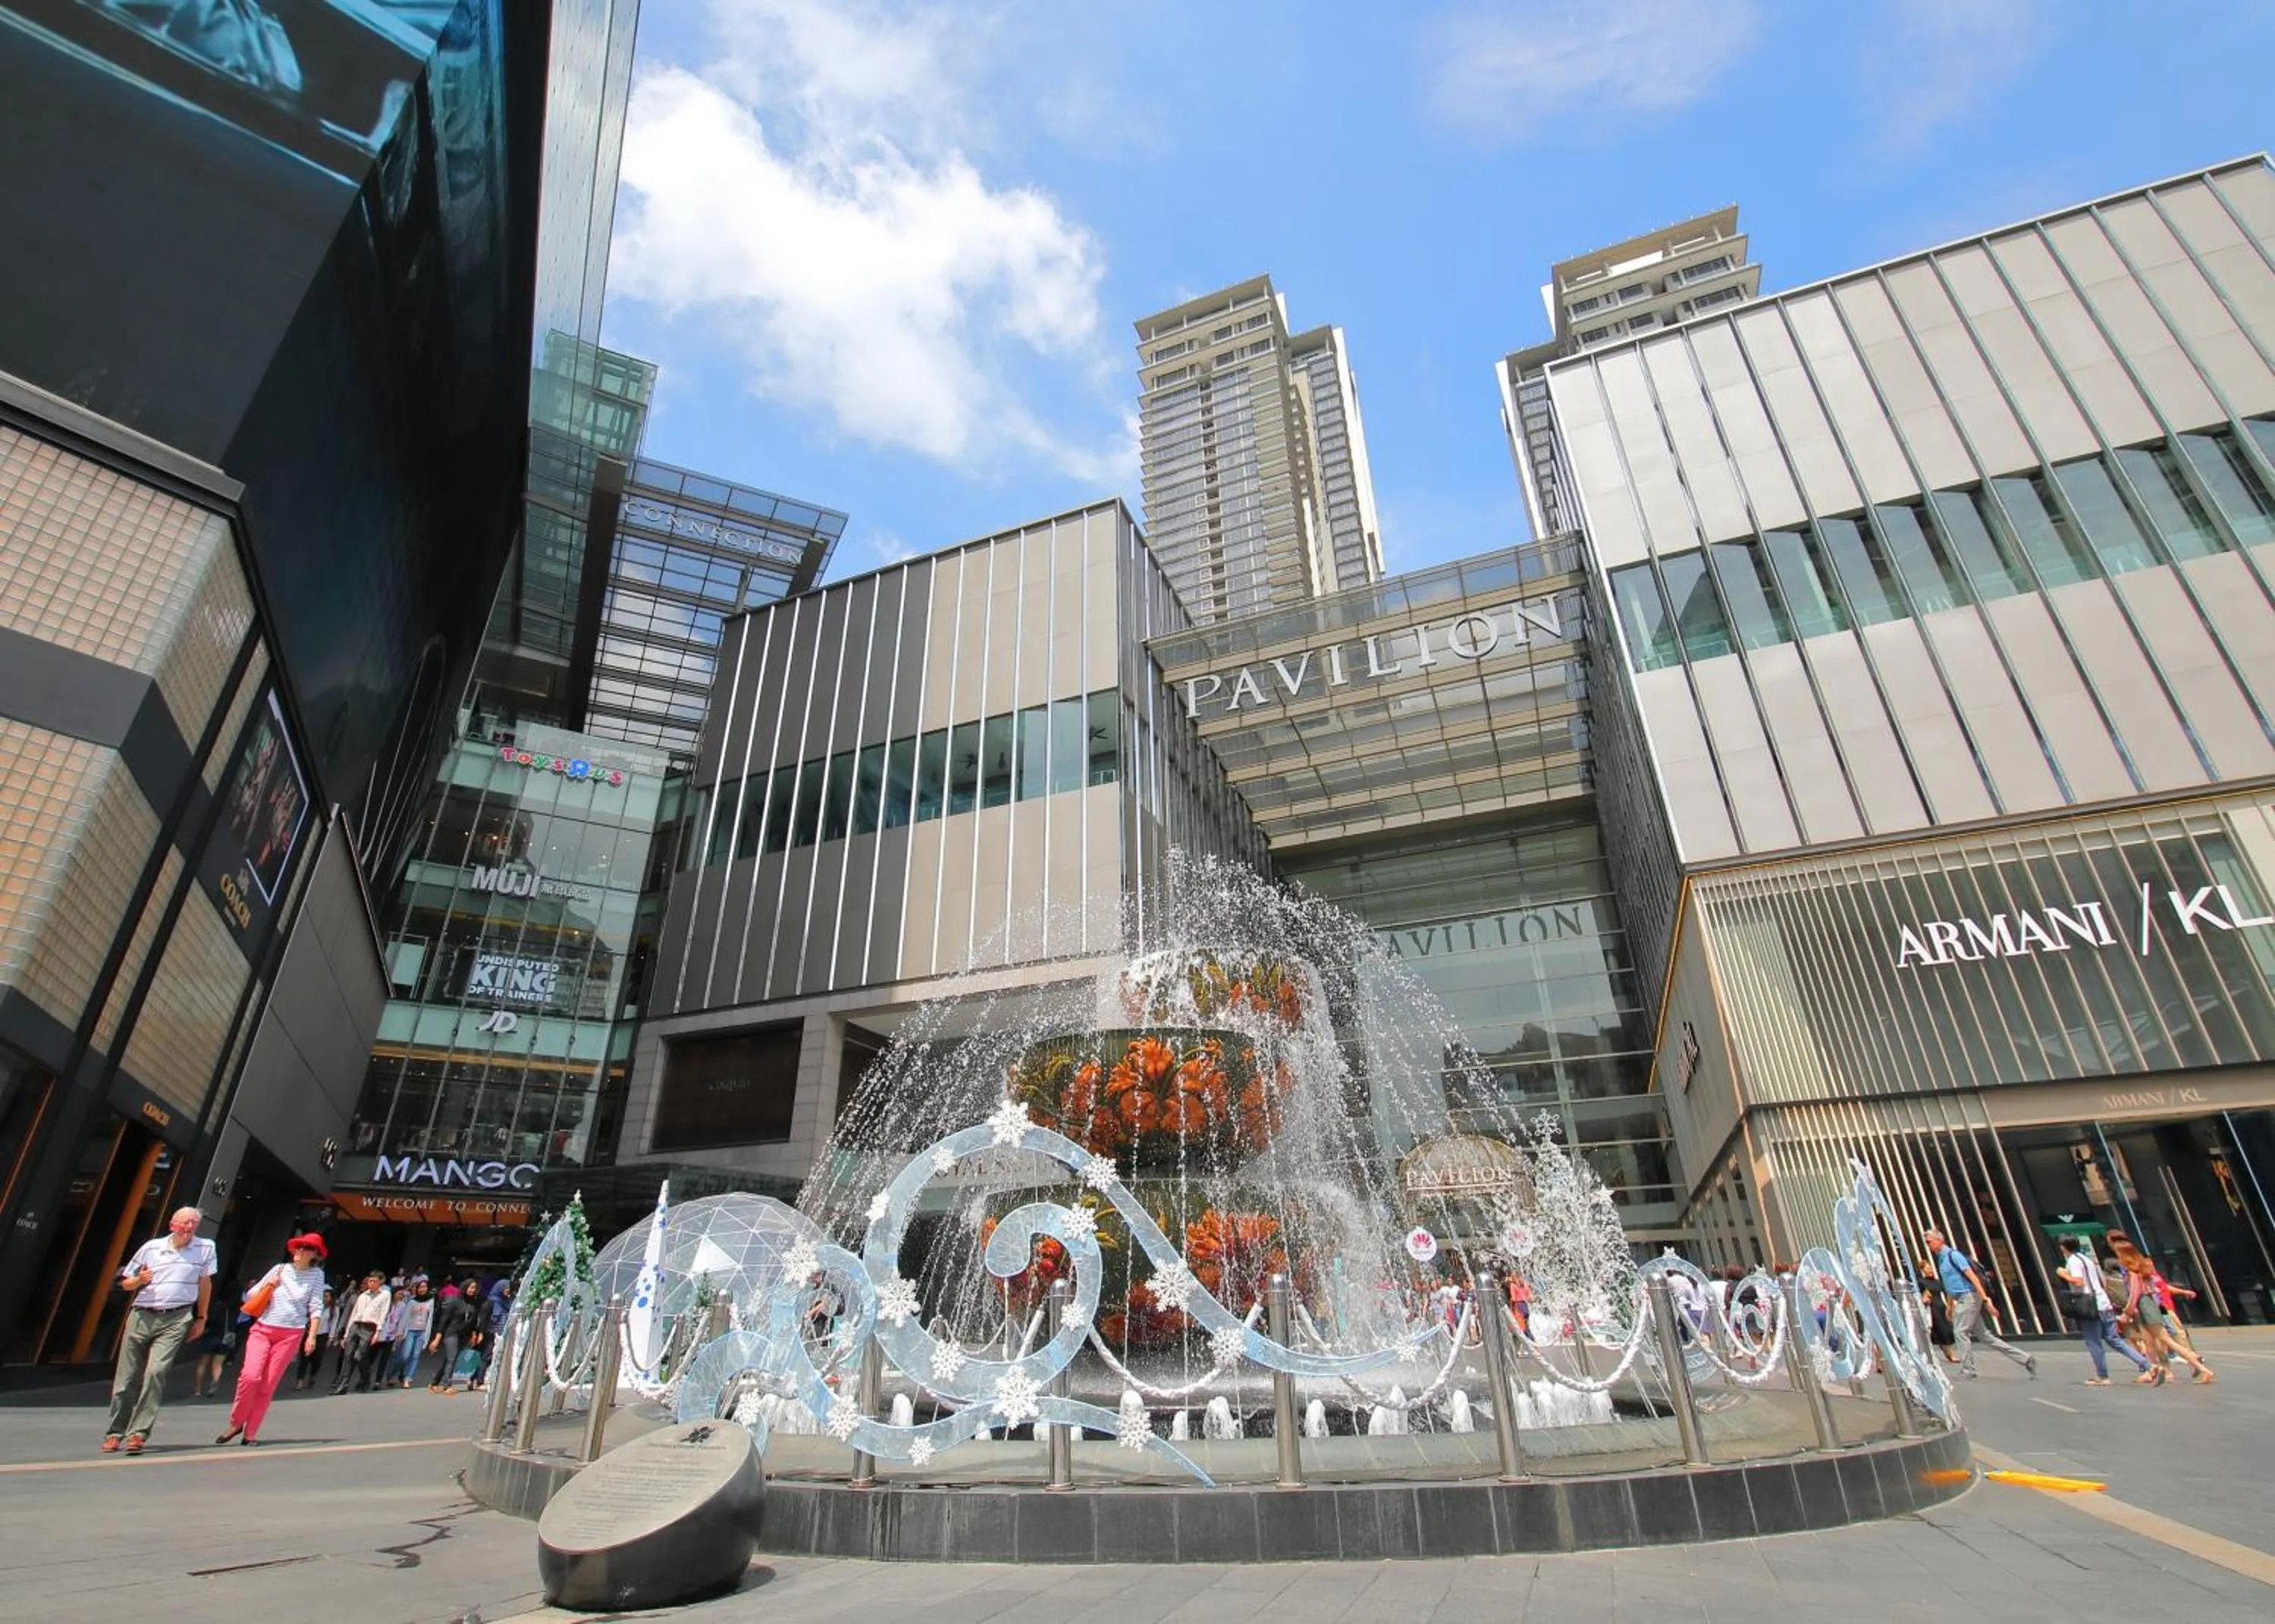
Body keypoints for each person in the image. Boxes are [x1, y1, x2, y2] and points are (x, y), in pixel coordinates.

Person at [103, 1207, 217, 1454]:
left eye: (193, 1224)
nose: (189, 1228)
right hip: (143, 1315)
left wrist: (201, 1317)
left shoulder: (206, 1247)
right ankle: (115, 1432)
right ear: (172, 1224)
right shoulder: (151, 1248)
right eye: (184, 1223)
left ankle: (138, 1434)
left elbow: (205, 1282)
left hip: (177, 1316)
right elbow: (125, 1282)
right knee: (127, 1377)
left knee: (156, 1372)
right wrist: (139, 1281)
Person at [219, 1234, 327, 1445]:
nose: (301, 1251)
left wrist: (311, 1336)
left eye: (307, 1248)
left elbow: (316, 1306)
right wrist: (269, 1285)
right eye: (299, 1247)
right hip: (263, 1329)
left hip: (291, 1333)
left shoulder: (316, 1276)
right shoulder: (279, 1269)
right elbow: (250, 1295)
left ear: (315, 1254)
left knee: (268, 1385)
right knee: (250, 1377)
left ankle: (251, 1432)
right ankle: (236, 1422)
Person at [1924, 1227, 2037, 1380]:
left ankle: (1968, 1370)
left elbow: (1973, 1278)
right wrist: (1950, 1306)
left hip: (1969, 1297)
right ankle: (2026, 1359)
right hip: (1961, 1298)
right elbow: (1949, 1284)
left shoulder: (1953, 1256)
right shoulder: (1941, 1259)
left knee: (1960, 1332)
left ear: (1939, 1241)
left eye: (1929, 1242)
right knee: (1985, 1337)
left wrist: (1986, 1300)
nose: (1928, 1245)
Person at [2057, 1237, 2150, 1384]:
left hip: (2090, 1305)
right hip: (2103, 1302)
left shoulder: (2073, 1261)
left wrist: (2063, 1274)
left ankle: (2103, 1376)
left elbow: (2078, 1282)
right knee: (2114, 1339)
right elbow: (2103, 1282)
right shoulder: (2087, 1260)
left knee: (2093, 1341)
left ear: (2064, 1247)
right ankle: (2146, 1364)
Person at [2118, 1252, 2215, 1386]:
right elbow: (2160, 1290)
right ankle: (2155, 1370)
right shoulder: (2147, 1276)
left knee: (2170, 1337)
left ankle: (2194, 1364)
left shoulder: (2141, 1275)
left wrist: (2127, 1313)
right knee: (2153, 1342)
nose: (2151, 1266)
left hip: (2161, 1308)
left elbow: (2136, 1294)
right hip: (2156, 1308)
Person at [332, 1271, 394, 1393]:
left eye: (374, 1281)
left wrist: (378, 1332)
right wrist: (346, 1334)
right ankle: (344, 1384)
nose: (371, 1284)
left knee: (360, 1355)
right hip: (356, 1325)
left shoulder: (385, 1294)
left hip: (369, 1327)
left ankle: (365, 1379)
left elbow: (383, 1314)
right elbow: (354, 1314)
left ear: (380, 1282)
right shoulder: (362, 1296)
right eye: (370, 1281)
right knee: (348, 1355)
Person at [427, 1280, 480, 1393]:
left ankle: (434, 1382)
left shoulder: (474, 1303)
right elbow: (444, 1321)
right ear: (465, 1288)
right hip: (451, 1333)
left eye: (474, 1288)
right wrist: (437, 1340)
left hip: (464, 1335)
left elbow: (474, 1321)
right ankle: (447, 1385)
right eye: (470, 1288)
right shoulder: (454, 1301)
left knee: (450, 1359)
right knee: (452, 1358)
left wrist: (474, 1335)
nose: (472, 1290)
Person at [388, 1278, 434, 1388]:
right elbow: (405, 1317)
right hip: (410, 1331)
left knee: (415, 1356)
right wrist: (400, 1332)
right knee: (405, 1356)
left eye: (425, 1287)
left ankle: (407, 1378)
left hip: (422, 1332)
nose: (423, 1289)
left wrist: (428, 1335)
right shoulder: (412, 1301)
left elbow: (430, 1318)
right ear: (417, 1289)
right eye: (420, 1287)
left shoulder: (431, 1301)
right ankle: (392, 1373)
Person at [190, 1296, 236, 1398]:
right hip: (224, 1339)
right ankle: (214, 1383)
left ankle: (198, 1389)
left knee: (203, 1363)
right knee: (218, 1364)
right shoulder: (231, 1310)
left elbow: (210, 1321)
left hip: (210, 1337)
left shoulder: (214, 1307)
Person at [1915, 1259, 1957, 1362]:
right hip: (1931, 1309)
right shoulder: (1921, 1282)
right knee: (1934, 1331)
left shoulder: (1937, 1282)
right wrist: (1923, 1299)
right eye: (1927, 1268)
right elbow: (1917, 1295)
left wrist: (1951, 1305)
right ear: (1923, 1270)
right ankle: (1932, 1354)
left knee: (1947, 1329)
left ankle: (1947, 1350)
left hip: (1941, 1307)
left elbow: (1947, 1292)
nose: (1930, 1270)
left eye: (1930, 1268)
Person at [294, 1287, 335, 1390]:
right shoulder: (314, 1307)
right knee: (304, 1357)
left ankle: (313, 1377)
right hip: (309, 1334)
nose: (324, 1299)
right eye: (323, 1296)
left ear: (331, 1298)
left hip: (322, 1336)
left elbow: (333, 1324)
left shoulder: (334, 1309)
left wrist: (331, 1338)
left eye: (327, 1297)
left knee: (317, 1358)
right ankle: (300, 1380)